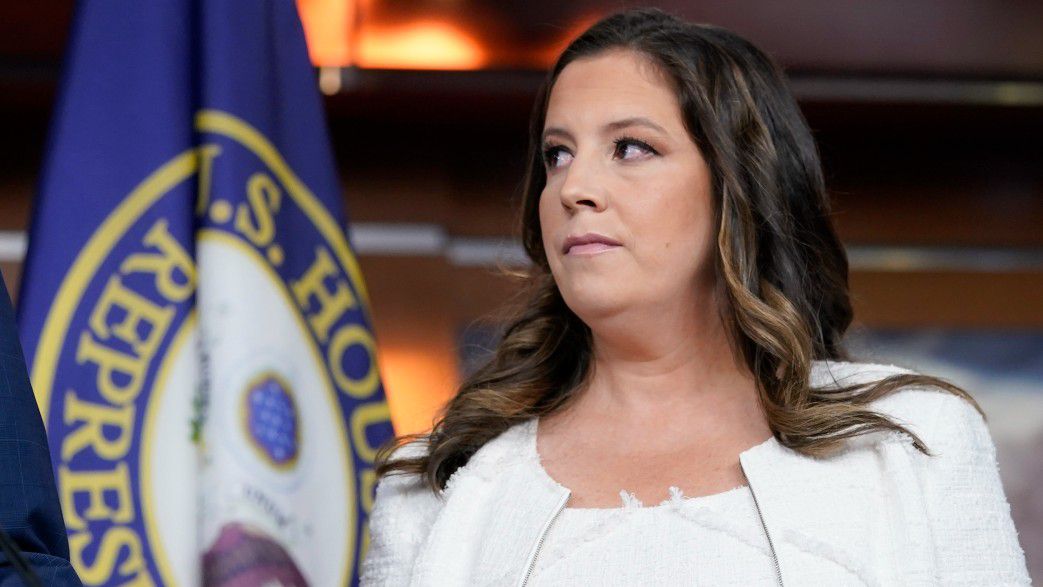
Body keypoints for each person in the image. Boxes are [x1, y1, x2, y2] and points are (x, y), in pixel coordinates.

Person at [360, 7, 1031, 586]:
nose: (572, 188)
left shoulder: (915, 439)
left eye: (629, 147)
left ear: (737, 187)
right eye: (557, 154)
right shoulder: (434, 482)